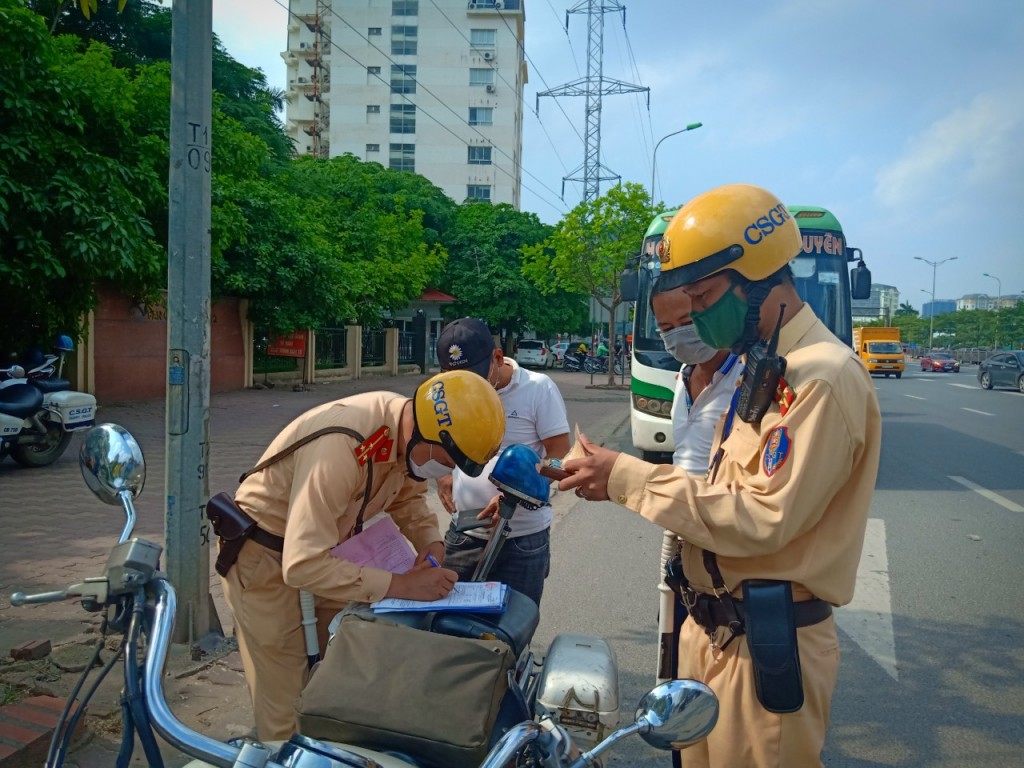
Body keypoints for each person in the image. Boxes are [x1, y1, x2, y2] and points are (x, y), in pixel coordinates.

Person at [560, 184, 881, 768]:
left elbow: (761, 518)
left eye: (705, 295)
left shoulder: (821, 378)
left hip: (765, 643)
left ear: (759, 278)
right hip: (710, 632)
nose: (697, 315)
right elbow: (718, 491)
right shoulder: (764, 367)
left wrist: (627, 478)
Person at [219, 370, 506, 740]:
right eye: (449, 461)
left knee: (340, 674)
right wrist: (402, 585)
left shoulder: (405, 436)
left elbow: (407, 496)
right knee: (286, 703)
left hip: (327, 554)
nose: (447, 472)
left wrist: (431, 544)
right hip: (264, 558)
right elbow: (301, 563)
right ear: (427, 434)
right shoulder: (341, 445)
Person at [434, 317, 570, 607]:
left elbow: (561, 458)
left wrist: (516, 494)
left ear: (497, 358)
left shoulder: (538, 389)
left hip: (522, 539)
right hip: (464, 535)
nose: (467, 388)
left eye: (475, 377)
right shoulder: (449, 393)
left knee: (511, 635)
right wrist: (443, 474)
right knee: (448, 631)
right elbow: (439, 441)